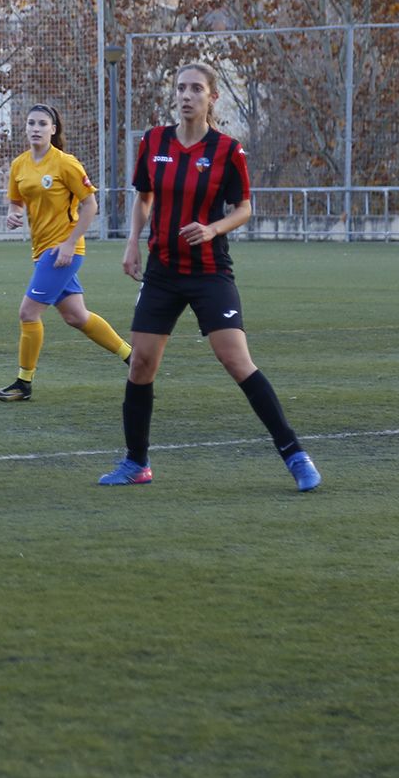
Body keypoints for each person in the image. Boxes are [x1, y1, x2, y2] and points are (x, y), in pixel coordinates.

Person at [101, 62, 321, 492]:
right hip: (162, 271)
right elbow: (143, 198)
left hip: (209, 273)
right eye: (181, 87)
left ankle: (295, 455)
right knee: (141, 364)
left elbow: (244, 208)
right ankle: (136, 463)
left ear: (212, 97)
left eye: (196, 89)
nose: (186, 95)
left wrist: (212, 228)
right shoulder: (154, 142)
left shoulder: (227, 151)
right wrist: (132, 242)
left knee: (236, 361)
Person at [0, 103, 131, 401]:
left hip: (63, 250)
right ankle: (133, 357)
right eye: (31, 123)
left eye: (42, 123)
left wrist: (69, 244)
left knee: (28, 313)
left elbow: (90, 205)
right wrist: (13, 214)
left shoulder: (65, 163)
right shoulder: (20, 165)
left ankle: (23, 384)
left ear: (53, 130)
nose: (36, 128)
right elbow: (16, 202)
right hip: (41, 250)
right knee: (77, 317)